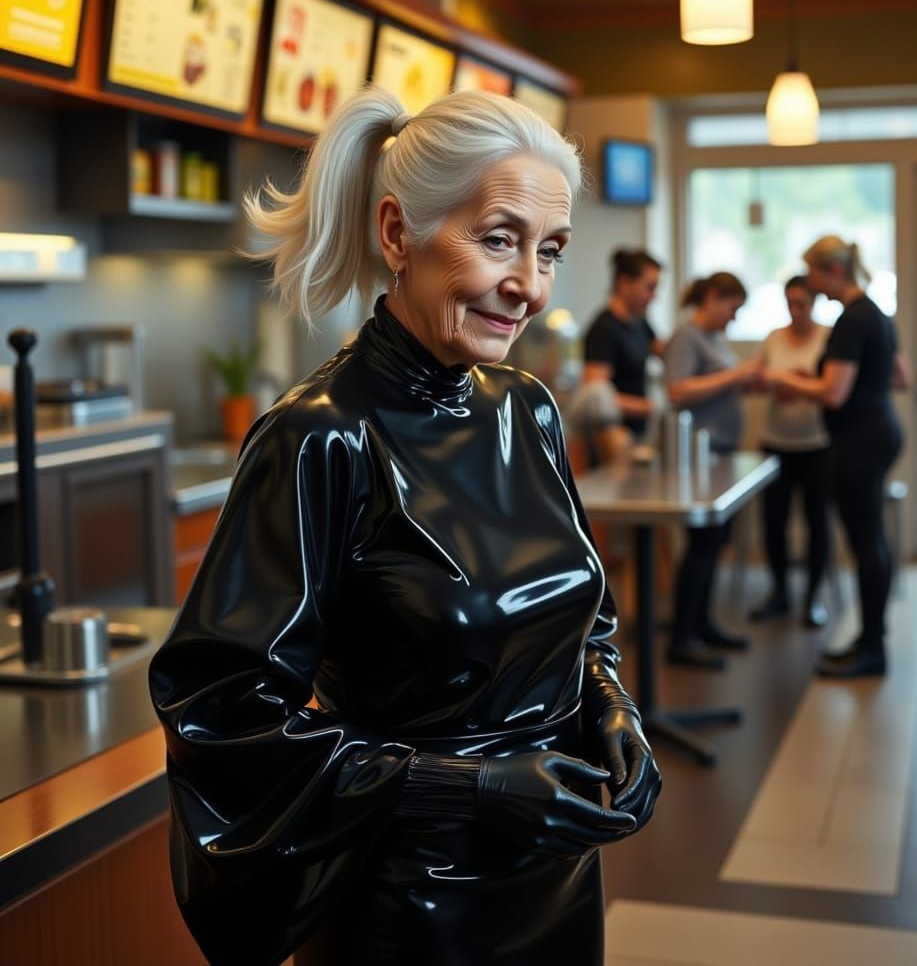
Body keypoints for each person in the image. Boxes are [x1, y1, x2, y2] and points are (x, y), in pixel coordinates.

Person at [148, 86, 660, 966]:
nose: (529, 285)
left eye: (550, 250)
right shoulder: (321, 435)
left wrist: (613, 707)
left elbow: (585, 623)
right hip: (413, 905)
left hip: (561, 876)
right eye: (499, 238)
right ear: (398, 234)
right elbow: (225, 714)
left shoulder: (528, 409)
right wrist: (475, 787)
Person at [765, 236, 909, 679]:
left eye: (811, 273)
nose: (809, 282)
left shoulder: (850, 319)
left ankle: (871, 649)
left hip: (859, 439)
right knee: (870, 542)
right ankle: (870, 641)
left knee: (866, 544)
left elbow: (834, 391)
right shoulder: (876, 313)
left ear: (831, 271)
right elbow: (888, 376)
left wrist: (781, 378)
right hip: (878, 429)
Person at [663, 271, 761, 669]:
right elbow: (678, 390)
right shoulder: (686, 337)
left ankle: (702, 624)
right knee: (702, 544)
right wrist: (737, 375)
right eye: (732, 309)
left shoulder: (714, 339)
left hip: (721, 450)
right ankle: (682, 636)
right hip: (702, 453)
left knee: (714, 542)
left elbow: (716, 383)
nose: (733, 319)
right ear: (714, 298)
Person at [749, 275, 832, 629]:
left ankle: (813, 596)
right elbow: (756, 379)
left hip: (817, 444)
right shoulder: (774, 338)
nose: (796, 311)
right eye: (791, 303)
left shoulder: (829, 338)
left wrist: (800, 382)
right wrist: (778, 383)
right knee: (774, 522)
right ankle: (780, 592)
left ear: (815, 303)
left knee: (817, 523)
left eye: (803, 303)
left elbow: (833, 386)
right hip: (777, 442)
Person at [579, 249, 664, 442]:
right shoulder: (603, 330)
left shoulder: (640, 323)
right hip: (616, 439)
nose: (654, 296)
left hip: (640, 433)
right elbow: (596, 398)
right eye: (650, 288)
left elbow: (666, 352)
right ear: (624, 282)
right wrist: (651, 407)